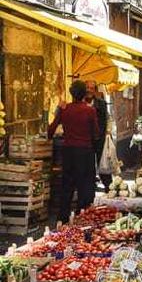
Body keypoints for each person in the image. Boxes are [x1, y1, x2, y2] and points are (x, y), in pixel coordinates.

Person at [48, 81, 99, 223]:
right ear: (84, 94)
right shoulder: (90, 110)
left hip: (68, 151)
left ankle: (63, 217)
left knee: (67, 185)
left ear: (72, 93)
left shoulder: (65, 110)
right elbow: (96, 134)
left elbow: (50, 130)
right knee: (85, 185)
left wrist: (59, 110)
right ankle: (82, 216)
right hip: (85, 151)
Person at [85, 80, 111, 191]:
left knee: (103, 163)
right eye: (87, 87)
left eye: (91, 88)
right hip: (86, 139)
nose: (89, 90)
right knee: (88, 164)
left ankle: (108, 186)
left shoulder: (101, 103)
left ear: (95, 90)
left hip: (100, 138)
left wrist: (106, 134)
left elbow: (106, 119)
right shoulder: (80, 103)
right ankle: (90, 186)